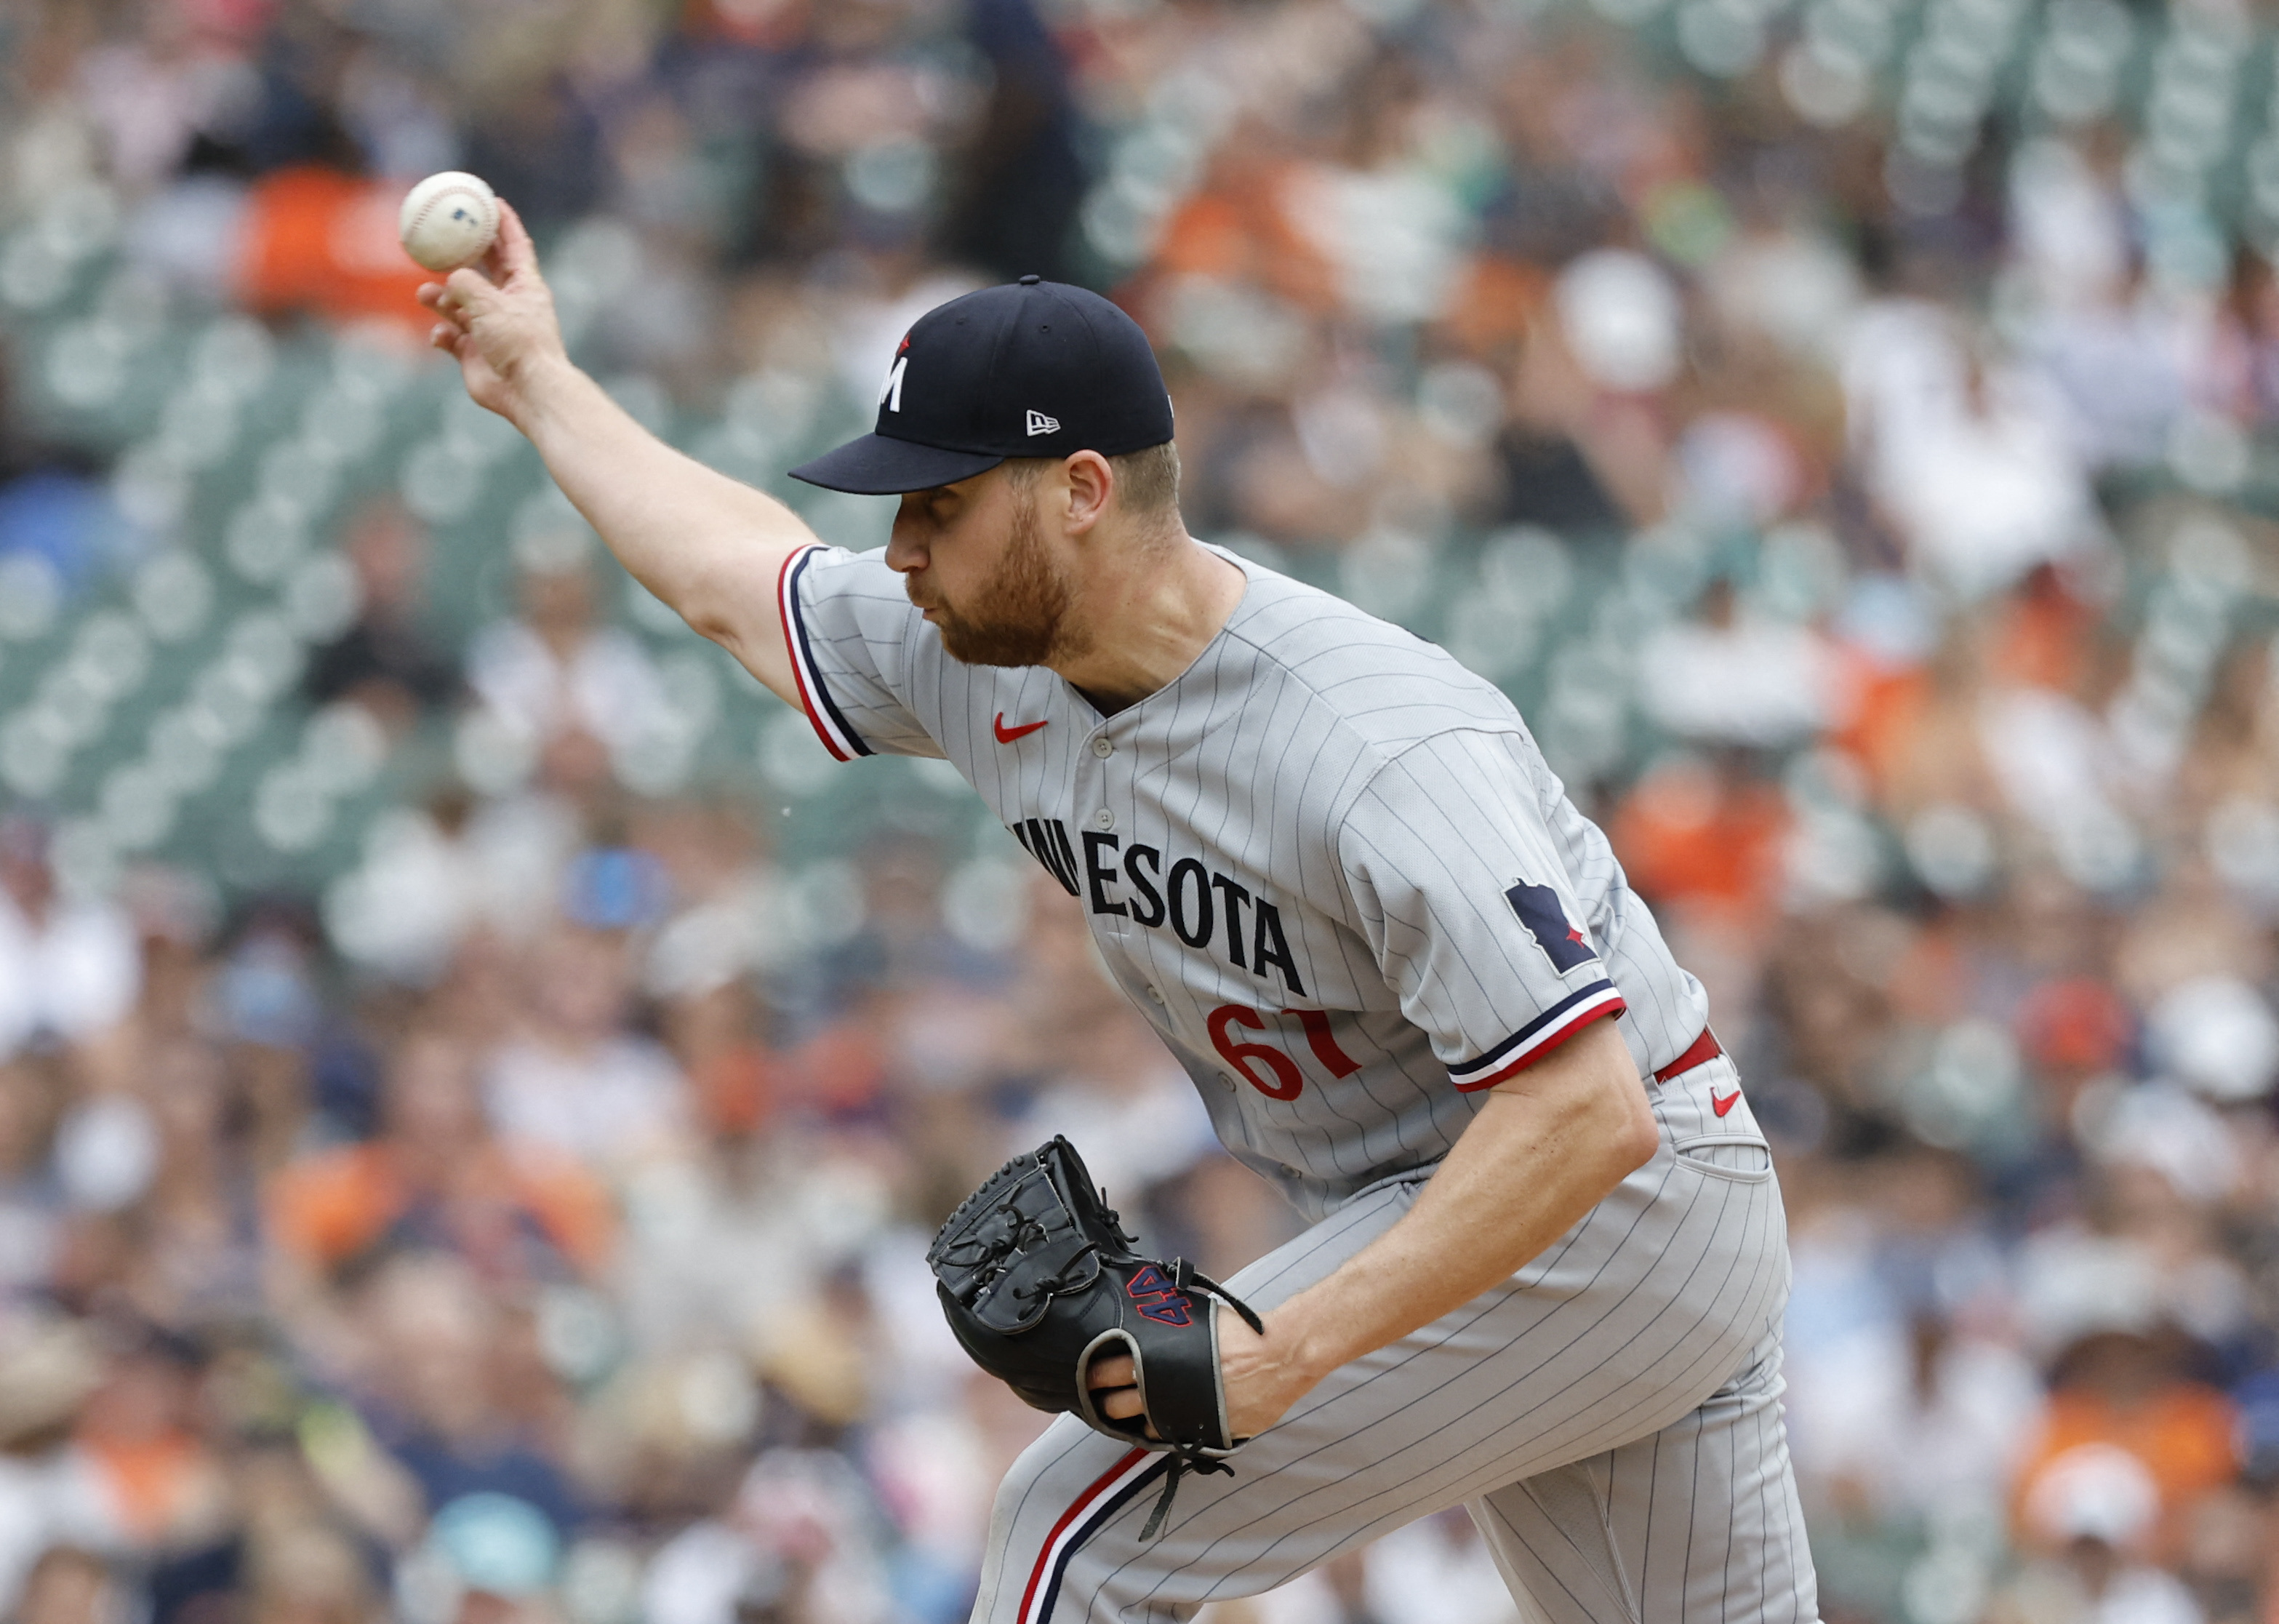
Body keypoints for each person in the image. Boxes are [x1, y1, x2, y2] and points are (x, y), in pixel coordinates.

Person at [417, 207, 1817, 1623]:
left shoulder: (1368, 741)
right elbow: (745, 585)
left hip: (1605, 1199)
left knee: (1070, 1533)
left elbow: (1587, 1112)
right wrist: (537, 376)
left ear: (1079, 489)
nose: (901, 547)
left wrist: (1286, 1347)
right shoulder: (992, 652)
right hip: (1518, 1217)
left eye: (941, 502)